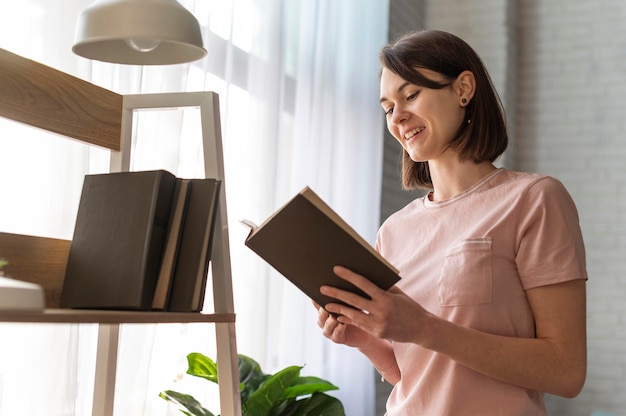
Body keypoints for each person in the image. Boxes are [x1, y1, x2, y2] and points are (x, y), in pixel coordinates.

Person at [314, 29, 587, 415]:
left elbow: (566, 371)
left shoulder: (533, 199)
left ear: (463, 88)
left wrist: (424, 328)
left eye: (411, 95)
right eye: (388, 107)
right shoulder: (393, 231)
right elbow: (418, 376)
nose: (399, 117)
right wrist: (366, 340)